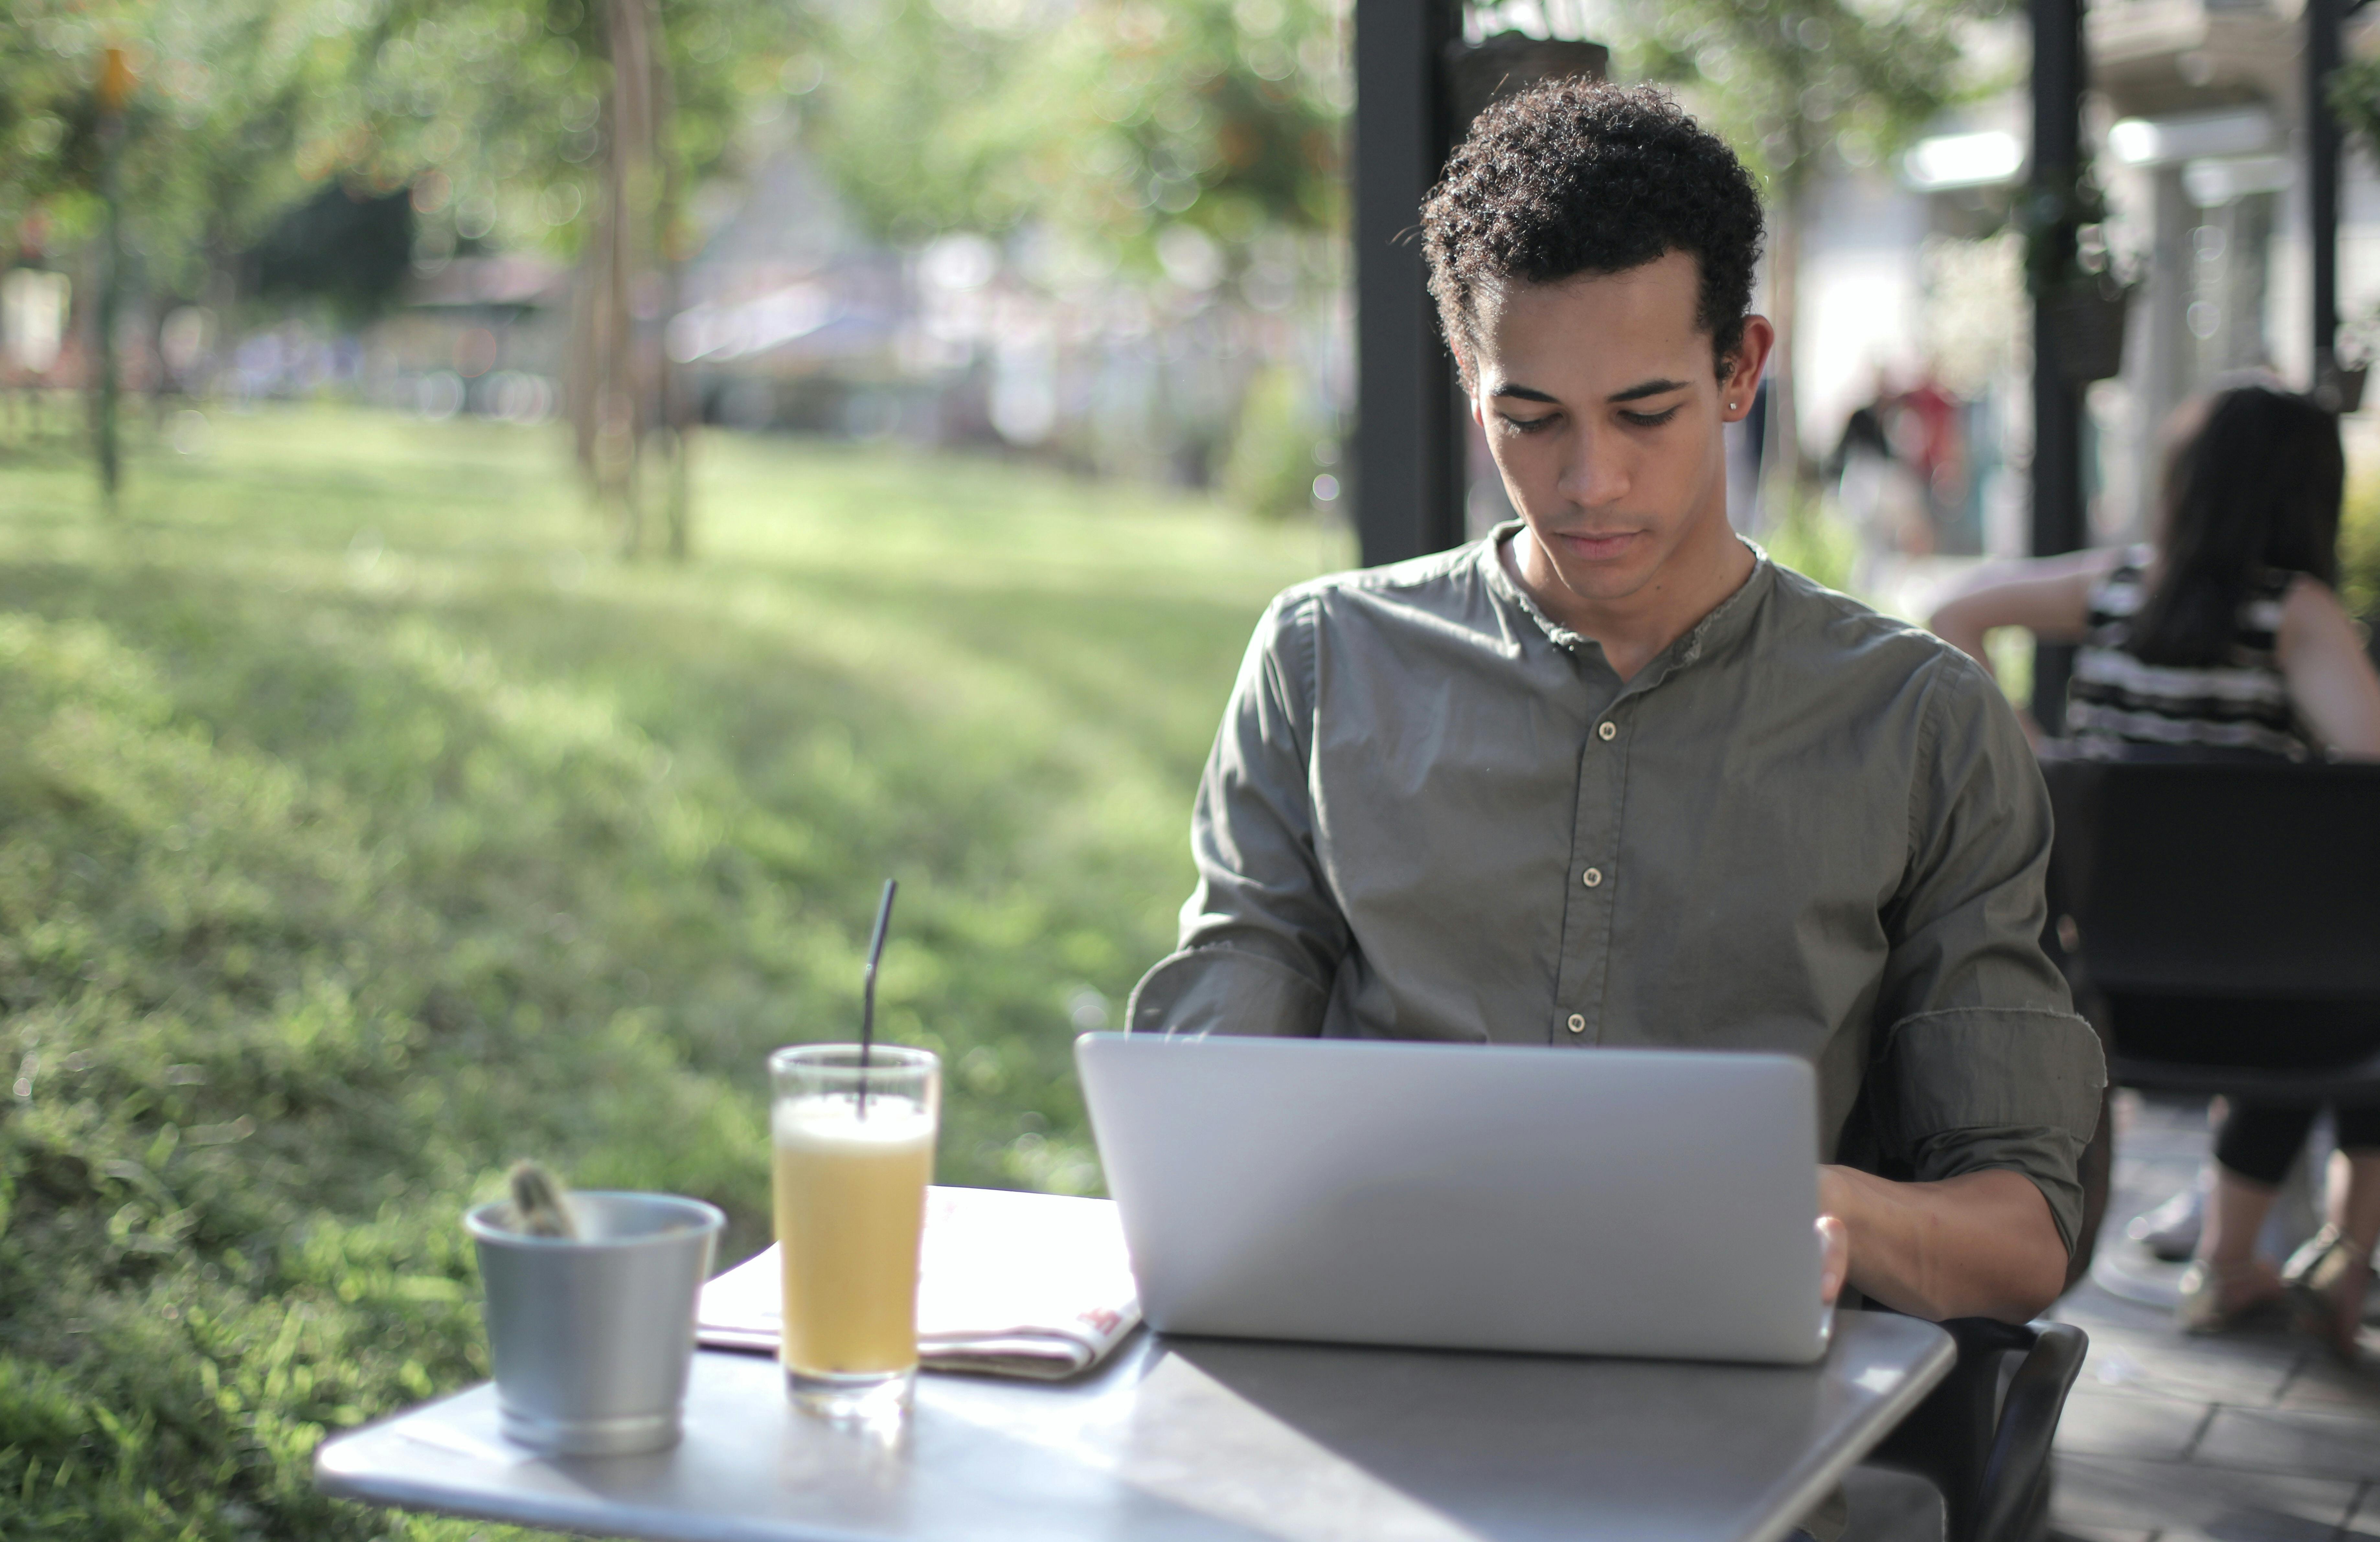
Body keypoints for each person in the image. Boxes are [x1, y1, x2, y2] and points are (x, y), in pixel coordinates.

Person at [1131, 81, 2102, 1342]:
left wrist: (1805, 1209)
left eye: (1644, 414)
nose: (1589, 484)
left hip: (1742, 1437)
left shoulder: (1918, 726)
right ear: (1469, 381)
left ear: (1738, 368)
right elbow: (1206, 1118)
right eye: (1527, 420)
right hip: (1375, 1378)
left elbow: (2022, 1232)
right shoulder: (1323, 667)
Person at [1928, 384, 2380, 1355]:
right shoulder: (2296, 615)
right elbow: (2369, 764)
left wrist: (2038, 756)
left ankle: (2244, 1257)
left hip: (2102, 992)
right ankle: (2313, 1258)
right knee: (2357, 982)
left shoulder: (2116, 587)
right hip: (2272, 1013)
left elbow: (1952, 612)